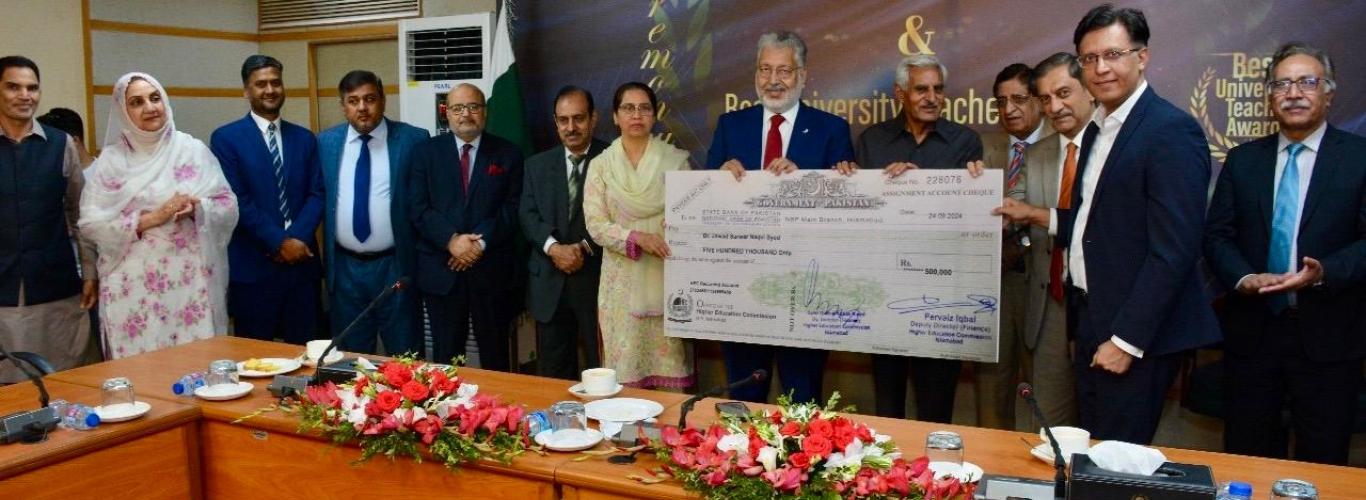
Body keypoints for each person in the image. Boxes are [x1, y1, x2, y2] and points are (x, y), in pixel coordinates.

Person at [997, 4, 1219, 444]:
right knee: (1092, 453)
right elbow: (1091, 224)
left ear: (1142, 57)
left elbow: (1174, 251)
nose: (1101, 68)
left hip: (1136, 334)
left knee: (1116, 461)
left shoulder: (1170, 130)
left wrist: (1127, 340)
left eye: (1113, 54)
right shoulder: (1099, 130)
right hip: (1092, 319)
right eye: (1090, 58)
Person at [1205, 42, 1366, 465]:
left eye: (1307, 82)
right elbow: (1217, 236)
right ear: (1270, 96)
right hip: (1253, 333)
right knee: (1247, 456)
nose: (1294, 93)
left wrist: (1325, 271)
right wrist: (1244, 277)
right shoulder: (1243, 161)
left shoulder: (1359, 158)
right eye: (1282, 84)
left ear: (1329, 92)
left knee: (1323, 459)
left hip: (1330, 335)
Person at [705, 30, 855, 404]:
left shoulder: (832, 130)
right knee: (743, 399)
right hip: (741, 290)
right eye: (765, 69)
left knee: (802, 402)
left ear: (802, 75)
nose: (773, 80)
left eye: (784, 71)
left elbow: (846, 215)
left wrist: (804, 179)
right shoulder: (730, 126)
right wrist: (718, 180)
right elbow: (704, 203)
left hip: (805, 291)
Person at [857, 54, 983, 423]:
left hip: (942, 294)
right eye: (921, 89)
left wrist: (919, 186)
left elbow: (969, 214)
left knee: (936, 407)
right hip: (885, 290)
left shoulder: (965, 141)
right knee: (887, 407)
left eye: (938, 89)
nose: (932, 98)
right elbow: (860, 212)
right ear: (900, 93)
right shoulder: (872, 141)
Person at [78, 72, 238, 359]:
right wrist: (153, 218)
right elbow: (91, 224)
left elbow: (227, 204)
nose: (150, 107)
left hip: (188, 282)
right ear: (123, 111)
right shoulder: (111, 162)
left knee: (193, 361)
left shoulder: (192, 150)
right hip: (131, 285)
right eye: (137, 102)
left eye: (155, 98)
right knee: (140, 367)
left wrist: (198, 207)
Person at [584, 81, 694, 389]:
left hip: (666, 276)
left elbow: (689, 217)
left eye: (644, 108)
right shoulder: (601, 166)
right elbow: (595, 224)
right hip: (620, 287)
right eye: (628, 108)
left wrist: (676, 228)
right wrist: (637, 238)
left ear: (654, 115)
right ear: (615, 116)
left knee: (669, 370)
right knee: (625, 372)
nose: (636, 115)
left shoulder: (675, 162)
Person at [408, 83, 523, 370]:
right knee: (446, 362)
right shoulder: (424, 153)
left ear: (485, 111)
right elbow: (418, 208)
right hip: (442, 271)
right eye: (458, 108)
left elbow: (512, 208)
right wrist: (451, 241)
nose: (466, 114)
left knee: (496, 359)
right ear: (446, 113)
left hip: (492, 273)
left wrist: (477, 245)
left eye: (473, 107)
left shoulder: (508, 153)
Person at [211, 55, 324, 345]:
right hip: (254, 268)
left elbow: (317, 194)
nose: (270, 90)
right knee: (254, 358)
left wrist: (296, 240)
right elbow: (237, 199)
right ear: (246, 91)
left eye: (276, 82)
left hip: (301, 267)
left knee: (306, 355)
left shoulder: (305, 138)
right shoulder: (226, 139)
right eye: (261, 84)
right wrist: (279, 242)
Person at [316, 71, 428, 355]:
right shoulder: (325, 143)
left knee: (405, 356)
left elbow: (425, 202)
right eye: (353, 101)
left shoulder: (413, 139)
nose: (362, 107)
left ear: (383, 100)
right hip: (345, 269)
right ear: (343, 106)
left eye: (369, 99)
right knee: (350, 358)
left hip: (395, 265)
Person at [0, 56, 96, 382]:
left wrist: (90, 271)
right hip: (3, 286)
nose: (24, 96)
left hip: (55, 283)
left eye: (32, 88)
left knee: (62, 380)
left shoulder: (60, 144)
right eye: (13, 87)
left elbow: (80, 213)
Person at [1013, 52, 1092, 429]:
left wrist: (1038, 215)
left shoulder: (1114, 148)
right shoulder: (1037, 154)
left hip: (1100, 307)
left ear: (1089, 89)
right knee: (1049, 429)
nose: (1054, 107)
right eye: (1045, 98)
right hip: (1050, 305)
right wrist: (975, 187)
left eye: (1063, 93)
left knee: (1104, 427)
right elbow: (1013, 209)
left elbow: (1106, 226)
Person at [976, 62, 1052, 430]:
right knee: (992, 385)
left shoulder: (1062, 143)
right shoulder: (982, 147)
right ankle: (989, 456)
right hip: (994, 283)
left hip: (1043, 281)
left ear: (1038, 100)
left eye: (1019, 99)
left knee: (1046, 388)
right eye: (1001, 101)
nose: (1009, 109)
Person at [520, 86, 607, 380]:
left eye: (578, 118)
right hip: (549, 283)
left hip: (596, 281)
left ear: (593, 119)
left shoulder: (613, 159)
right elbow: (527, 215)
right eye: (563, 120)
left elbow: (618, 215)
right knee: (554, 375)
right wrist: (554, 248)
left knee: (602, 371)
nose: (571, 128)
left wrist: (581, 248)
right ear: (555, 122)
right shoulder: (536, 165)